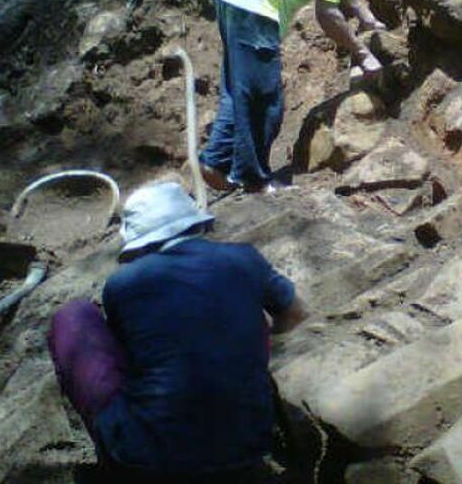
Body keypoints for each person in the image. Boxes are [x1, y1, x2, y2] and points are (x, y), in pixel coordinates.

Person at [47, 181, 306, 483]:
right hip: (247, 447)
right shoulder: (245, 258)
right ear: (192, 223)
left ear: (140, 241)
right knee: (239, 320)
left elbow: (130, 357)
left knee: (73, 315)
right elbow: (295, 313)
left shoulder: (123, 284)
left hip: (148, 457)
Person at [198, 0, 405, 193]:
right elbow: (327, 14)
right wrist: (362, 54)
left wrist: (366, 14)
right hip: (257, 5)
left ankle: (215, 164)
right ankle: (254, 181)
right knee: (264, 99)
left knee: (239, 91)